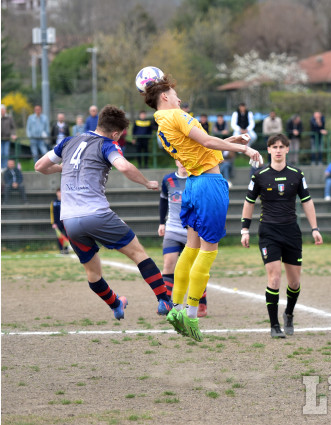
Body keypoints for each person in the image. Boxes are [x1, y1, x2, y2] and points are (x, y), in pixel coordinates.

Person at [143, 74, 261, 342]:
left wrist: (231, 141)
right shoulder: (176, 116)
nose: (179, 98)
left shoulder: (161, 125)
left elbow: (200, 147)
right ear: (164, 97)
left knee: (192, 248)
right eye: (174, 94)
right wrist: (245, 151)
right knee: (208, 251)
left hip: (194, 185)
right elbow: (207, 142)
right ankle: (193, 316)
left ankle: (176, 309)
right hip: (209, 184)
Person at [34, 105, 172, 320]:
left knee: (93, 273)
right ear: (115, 133)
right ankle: (164, 300)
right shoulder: (107, 145)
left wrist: (65, 167)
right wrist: (146, 182)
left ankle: (116, 304)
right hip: (96, 214)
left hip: (70, 221)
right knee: (138, 253)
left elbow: (40, 166)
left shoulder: (69, 141)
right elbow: (124, 167)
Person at [240, 134, 323, 338]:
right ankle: (274, 325)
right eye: (274, 146)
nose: (278, 150)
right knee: (274, 277)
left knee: (294, 283)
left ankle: (288, 314)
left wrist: (315, 228)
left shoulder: (297, 174)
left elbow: (307, 201)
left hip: (291, 232)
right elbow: (249, 203)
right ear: (268, 150)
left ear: (287, 150)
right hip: (268, 231)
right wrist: (244, 229)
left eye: (281, 146)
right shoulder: (259, 176)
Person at [159, 160, 208, 318]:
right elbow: (163, 201)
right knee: (168, 264)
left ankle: (201, 303)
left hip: (193, 231)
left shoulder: (198, 179)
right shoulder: (168, 180)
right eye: (179, 159)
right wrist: (161, 223)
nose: (182, 162)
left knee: (196, 269)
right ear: (175, 160)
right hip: (172, 228)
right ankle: (166, 303)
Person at [50, 188, 71, 254]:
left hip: (65, 221)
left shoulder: (66, 201)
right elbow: (52, 213)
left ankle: (66, 249)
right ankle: (61, 249)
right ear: (56, 193)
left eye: (61, 192)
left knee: (67, 235)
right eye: (59, 192)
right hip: (58, 222)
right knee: (59, 236)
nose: (60, 193)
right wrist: (53, 223)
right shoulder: (54, 202)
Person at [1, 104, 17, 170]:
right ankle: (1, 166)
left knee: (6, 153)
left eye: (3, 110)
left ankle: (4, 167)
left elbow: (13, 127)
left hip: (7, 138)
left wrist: (13, 134)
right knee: (1, 152)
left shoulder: (9, 118)